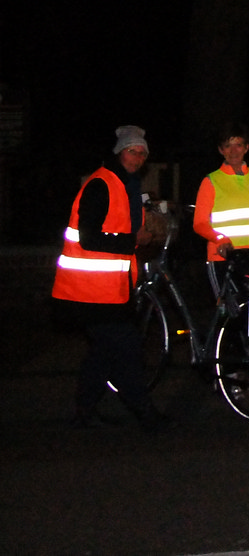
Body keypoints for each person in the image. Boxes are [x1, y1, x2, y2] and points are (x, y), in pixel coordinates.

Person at [51, 125, 169, 431]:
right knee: (127, 347)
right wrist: (133, 240)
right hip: (89, 291)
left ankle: (84, 412)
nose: (138, 158)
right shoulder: (101, 185)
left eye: (142, 153)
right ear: (119, 152)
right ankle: (144, 411)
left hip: (107, 290)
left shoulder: (123, 185)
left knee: (103, 353)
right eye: (132, 151)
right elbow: (90, 238)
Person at [193, 123, 249, 297]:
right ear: (221, 150)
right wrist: (220, 239)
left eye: (238, 145)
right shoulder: (211, 181)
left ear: (246, 148)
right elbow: (199, 223)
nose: (233, 151)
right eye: (228, 146)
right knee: (230, 310)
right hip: (224, 258)